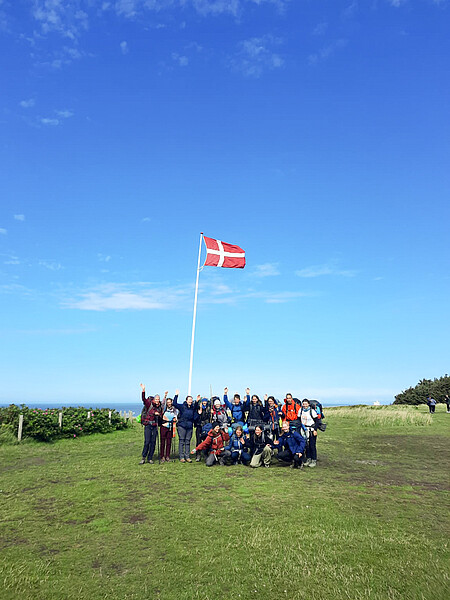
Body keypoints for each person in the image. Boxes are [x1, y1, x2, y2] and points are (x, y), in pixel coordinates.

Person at [139, 383, 162, 464]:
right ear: (154, 399)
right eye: (156, 399)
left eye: (158, 399)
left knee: (153, 442)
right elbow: (143, 399)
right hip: (148, 425)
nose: (157, 400)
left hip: (155, 426)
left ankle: (150, 458)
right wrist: (143, 390)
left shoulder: (159, 407)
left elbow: (160, 417)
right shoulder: (149, 405)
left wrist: (158, 414)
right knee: (147, 441)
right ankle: (143, 457)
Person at [173, 391, 198, 462]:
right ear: (186, 400)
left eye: (191, 400)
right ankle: (181, 457)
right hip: (182, 426)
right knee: (182, 441)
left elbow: (196, 408)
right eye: (189, 400)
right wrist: (176, 395)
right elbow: (174, 404)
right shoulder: (182, 407)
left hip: (189, 426)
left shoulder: (192, 408)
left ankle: (187, 456)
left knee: (187, 441)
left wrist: (197, 401)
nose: (190, 401)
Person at [299, 398, 319, 467]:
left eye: (306, 404)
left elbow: (317, 421)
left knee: (312, 445)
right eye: (303, 404)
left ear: (308, 404)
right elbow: (299, 419)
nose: (304, 405)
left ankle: (314, 460)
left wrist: (315, 430)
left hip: (311, 430)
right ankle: (308, 459)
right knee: (306, 445)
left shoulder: (312, 411)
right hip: (304, 430)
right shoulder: (301, 410)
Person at [160, 395, 178, 462]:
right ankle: (162, 456)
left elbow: (176, 416)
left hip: (171, 426)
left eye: (170, 402)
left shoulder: (174, 409)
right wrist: (164, 396)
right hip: (164, 426)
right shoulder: (164, 408)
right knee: (162, 442)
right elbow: (162, 403)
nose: (169, 403)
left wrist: (175, 419)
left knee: (169, 442)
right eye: (168, 402)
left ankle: (167, 456)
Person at [195, 397, 212, 462]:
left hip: (206, 426)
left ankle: (205, 454)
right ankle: (198, 455)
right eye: (203, 402)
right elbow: (196, 417)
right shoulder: (198, 408)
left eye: (205, 402)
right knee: (198, 441)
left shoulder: (209, 409)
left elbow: (209, 418)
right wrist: (199, 413)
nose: (204, 403)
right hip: (199, 426)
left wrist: (211, 413)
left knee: (206, 441)